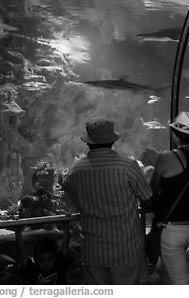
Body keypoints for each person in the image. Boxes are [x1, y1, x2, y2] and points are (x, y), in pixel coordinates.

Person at [63, 117, 152, 284]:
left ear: (88, 142)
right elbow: (148, 201)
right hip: (126, 250)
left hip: (93, 252)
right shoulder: (127, 166)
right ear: (112, 140)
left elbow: (68, 197)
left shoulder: (76, 169)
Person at [149, 111, 189, 285]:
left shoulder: (167, 157)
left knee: (181, 282)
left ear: (175, 134)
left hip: (172, 230)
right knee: (162, 273)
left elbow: (151, 191)